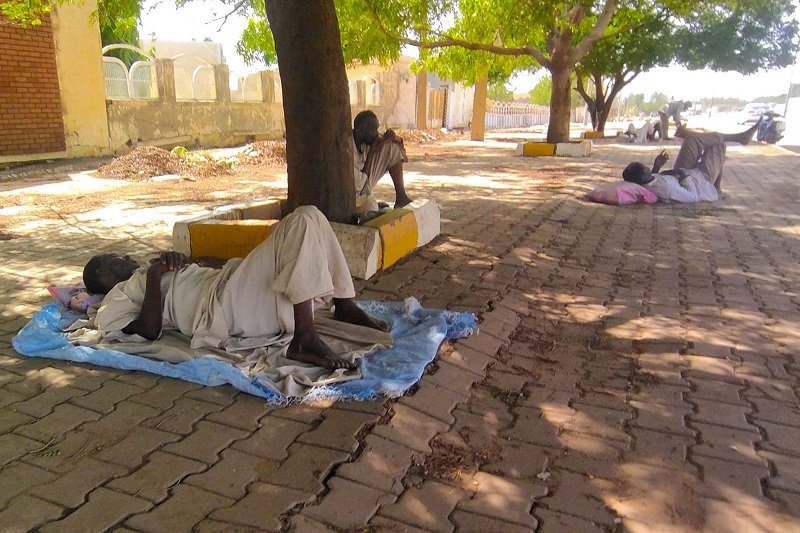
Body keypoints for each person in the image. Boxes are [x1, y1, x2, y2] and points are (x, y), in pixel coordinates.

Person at [82, 206, 388, 370]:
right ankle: (304, 337)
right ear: (104, 277)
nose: (124, 257)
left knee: (311, 215)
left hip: (232, 289)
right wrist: (153, 275)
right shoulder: (114, 299)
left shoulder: (149, 270)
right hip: (222, 310)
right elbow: (146, 331)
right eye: (114, 260)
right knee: (298, 224)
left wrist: (187, 265)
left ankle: (344, 304)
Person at [352, 110, 412, 213]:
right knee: (370, 206)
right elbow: (358, 186)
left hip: (363, 183)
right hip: (353, 192)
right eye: (374, 130)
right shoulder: (347, 148)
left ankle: (401, 197)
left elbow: (394, 142)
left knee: (391, 148)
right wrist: (371, 154)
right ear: (361, 129)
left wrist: (392, 137)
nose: (376, 134)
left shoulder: (365, 140)